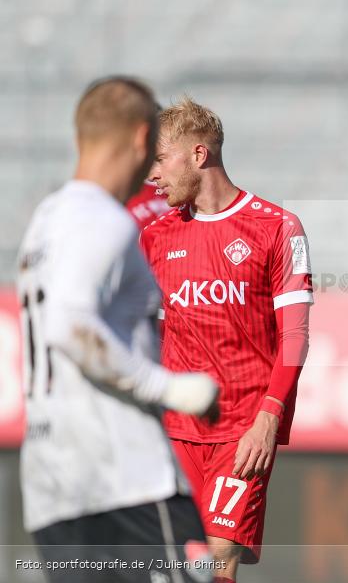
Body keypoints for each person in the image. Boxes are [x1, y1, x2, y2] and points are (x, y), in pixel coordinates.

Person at [17, 76, 219, 583]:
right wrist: (168, 386)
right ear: (138, 139)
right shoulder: (103, 220)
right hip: (124, 480)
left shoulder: (45, 219)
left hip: (54, 484)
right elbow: (69, 323)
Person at [140, 97, 313, 583]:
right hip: (174, 433)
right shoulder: (153, 237)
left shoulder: (276, 227)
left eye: (160, 159)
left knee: (215, 567)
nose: (151, 174)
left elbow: (295, 335)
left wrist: (269, 416)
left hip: (242, 432)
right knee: (172, 571)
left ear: (198, 155)